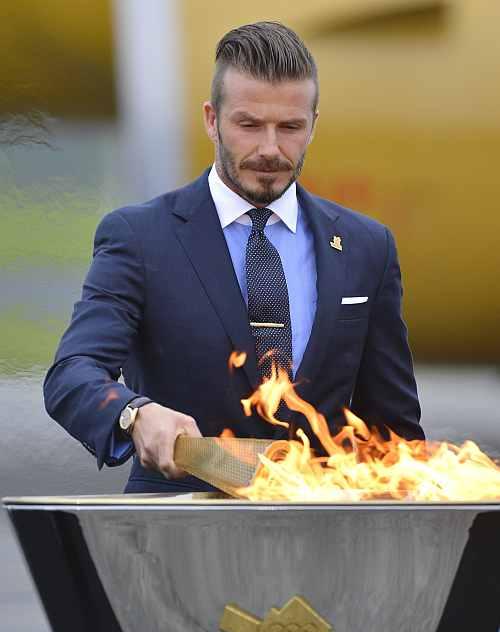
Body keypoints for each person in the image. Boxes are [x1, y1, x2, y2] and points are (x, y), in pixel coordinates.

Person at [43, 21, 424, 495]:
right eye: (248, 125)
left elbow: (395, 433)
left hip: (325, 541)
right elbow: (72, 374)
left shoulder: (368, 246)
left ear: (313, 125)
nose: (270, 149)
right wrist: (134, 413)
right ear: (211, 119)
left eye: (290, 127)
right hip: (178, 537)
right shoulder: (140, 238)